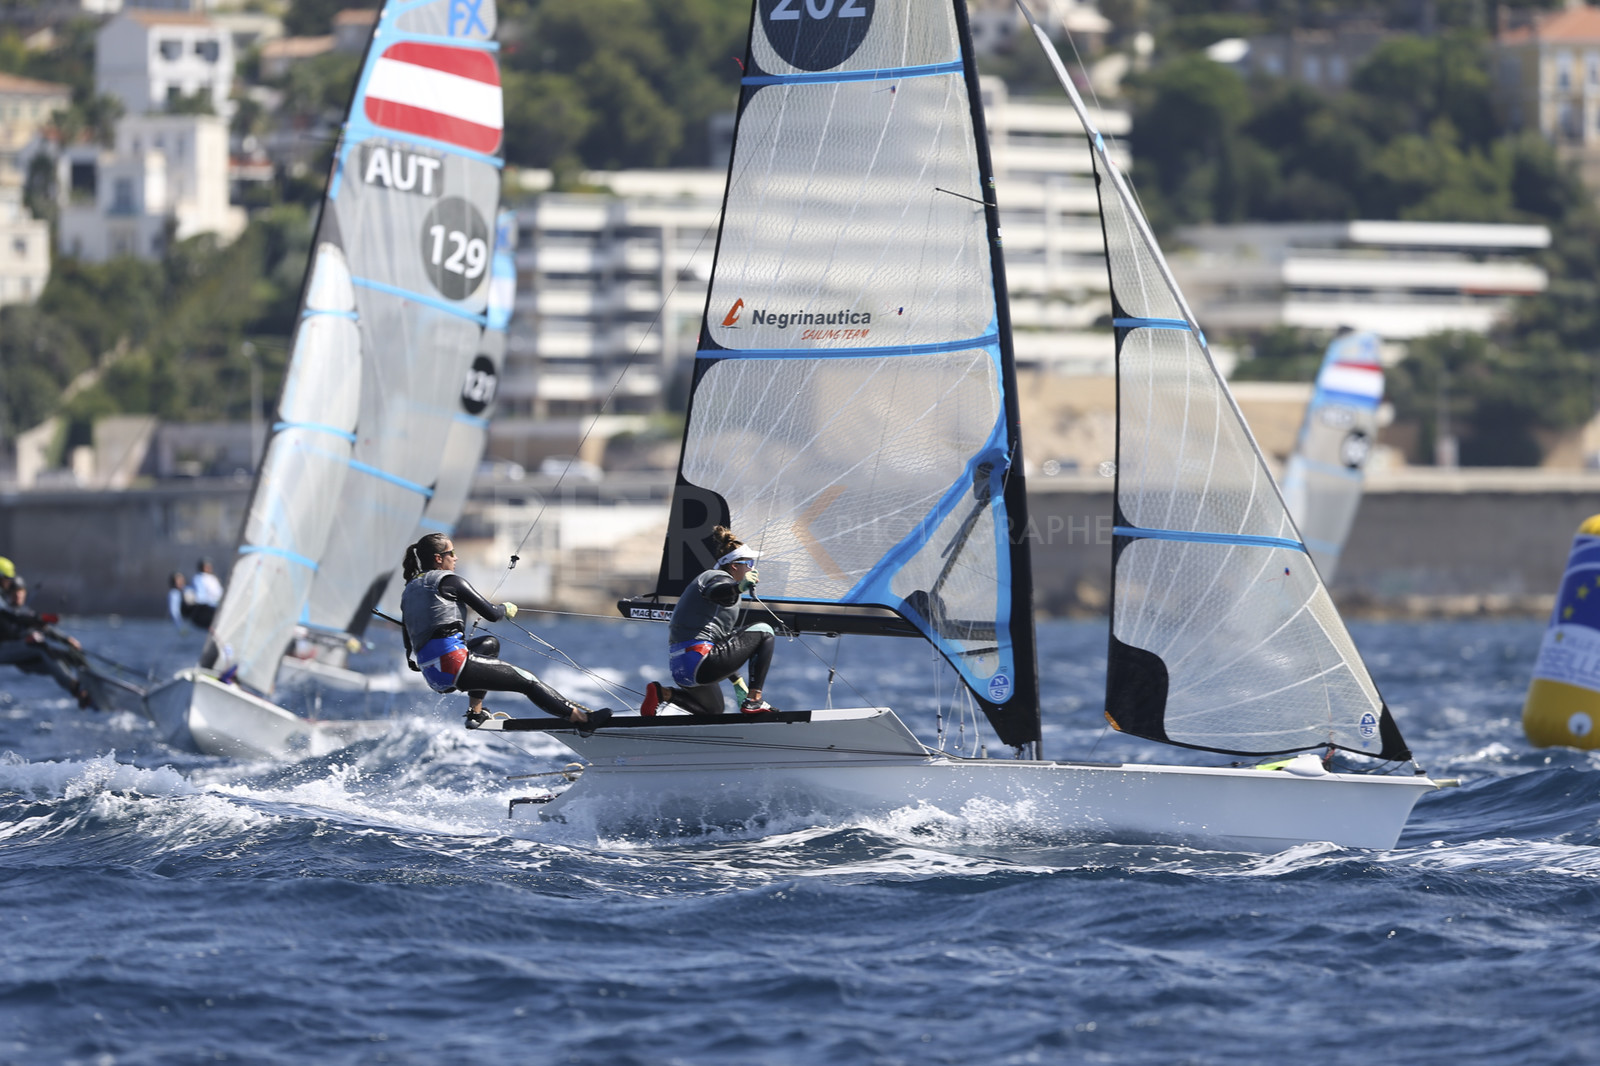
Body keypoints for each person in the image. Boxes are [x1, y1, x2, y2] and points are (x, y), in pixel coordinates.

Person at [398, 532, 610, 729]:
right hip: (453, 664)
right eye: (451, 553)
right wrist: (505, 609)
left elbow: (408, 634)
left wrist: (411, 660)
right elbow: (491, 613)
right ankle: (582, 720)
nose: (456, 558)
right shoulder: (450, 581)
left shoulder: (410, 590)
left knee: (488, 644)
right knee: (527, 680)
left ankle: (475, 713)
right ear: (438, 558)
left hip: (431, 671)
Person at [640, 525, 778, 717]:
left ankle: (663, 693)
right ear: (734, 565)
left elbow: (722, 642)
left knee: (713, 709)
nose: (753, 568)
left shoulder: (712, 583)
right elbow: (714, 592)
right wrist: (738, 587)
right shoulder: (717, 578)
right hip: (700, 661)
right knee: (764, 630)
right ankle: (754, 700)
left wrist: (737, 681)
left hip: (682, 668)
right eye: (750, 563)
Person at [0, 575, 93, 708]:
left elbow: (45, 628)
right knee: (41, 646)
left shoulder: (25, 613)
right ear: (7, 595)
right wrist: (33, 628)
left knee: (60, 655)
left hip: (25, 658)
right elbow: (16, 625)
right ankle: (76, 687)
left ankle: (85, 688)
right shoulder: (4, 612)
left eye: (20, 592)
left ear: (25, 593)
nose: (17, 596)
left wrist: (67, 640)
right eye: (13, 593)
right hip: (5, 651)